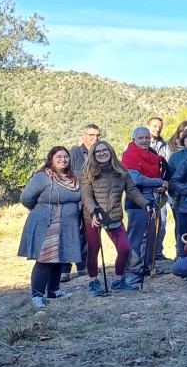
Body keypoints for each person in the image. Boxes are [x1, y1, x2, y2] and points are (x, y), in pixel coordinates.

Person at [80, 139, 150, 295]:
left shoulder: (121, 171)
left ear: (110, 152)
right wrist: (93, 211)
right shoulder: (87, 171)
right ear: (93, 154)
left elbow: (132, 191)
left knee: (125, 249)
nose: (102, 153)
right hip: (93, 216)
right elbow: (86, 195)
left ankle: (118, 281)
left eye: (105, 150)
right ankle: (93, 282)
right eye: (98, 151)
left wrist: (145, 204)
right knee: (93, 250)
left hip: (114, 216)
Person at [19, 147, 83, 308]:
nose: (63, 159)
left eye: (66, 157)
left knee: (59, 257)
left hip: (67, 224)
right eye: (58, 157)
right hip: (46, 222)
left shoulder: (72, 178)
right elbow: (26, 198)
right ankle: (37, 295)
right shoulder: (43, 177)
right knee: (45, 258)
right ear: (51, 159)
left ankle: (54, 291)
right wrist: (44, 209)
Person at [121, 126, 169, 287]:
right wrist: (158, 182)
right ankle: (132, 271)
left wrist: (163, 185)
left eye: (147, 138)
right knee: (136, 238)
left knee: (152, 235)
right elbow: (136, 179)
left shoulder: (153, 155)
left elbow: (161, 172)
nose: (144, 141)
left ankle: (148, 266)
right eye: (141, 138)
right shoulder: (129, 155)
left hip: (154, 200)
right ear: (134, 139)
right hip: (136, 202)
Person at [67, 123, 103, 277]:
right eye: (91, 135)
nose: (95, 138)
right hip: (75, 201)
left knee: (91, 235)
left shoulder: (102, 153)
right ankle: (64, 270)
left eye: (97, 135)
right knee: (71, 234)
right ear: (84, 136)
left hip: (94, 202)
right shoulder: (73, 154)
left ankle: (85, 266)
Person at [146, 116, 169, 263]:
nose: (157, 129)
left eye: (160, 126)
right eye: (154, 126)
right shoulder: (136, 144)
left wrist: (165, 182)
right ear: (148, 126)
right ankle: (145, 257)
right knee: (146, 225)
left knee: (162, 223)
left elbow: (167, 167)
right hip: (145, 190)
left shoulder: (164, 145)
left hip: (161, 191)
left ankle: (158, 253)